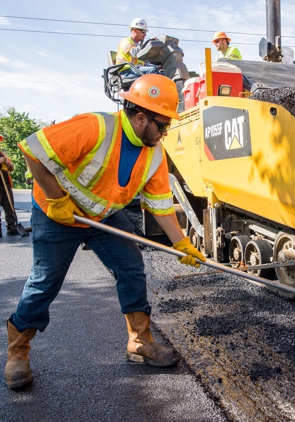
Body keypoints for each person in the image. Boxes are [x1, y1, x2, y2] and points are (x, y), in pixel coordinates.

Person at [4, 74, 206, 390]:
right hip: (58, 214)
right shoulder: (94, 127)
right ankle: (18, 352)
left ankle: (139, 343)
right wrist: (57, 199)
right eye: (162, 125)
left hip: (102, 218)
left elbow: (160, 204)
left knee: (131, 268)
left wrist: (180, 242)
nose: (165, 132)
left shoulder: (154, 153)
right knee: (45, 282)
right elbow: (32, 151)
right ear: (141, 117)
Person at [0, 134, 19, 236]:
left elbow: (11, 169)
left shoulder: (2, 154)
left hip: (5, 185)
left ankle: (12, 226)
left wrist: (10, 165)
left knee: (10, 207)